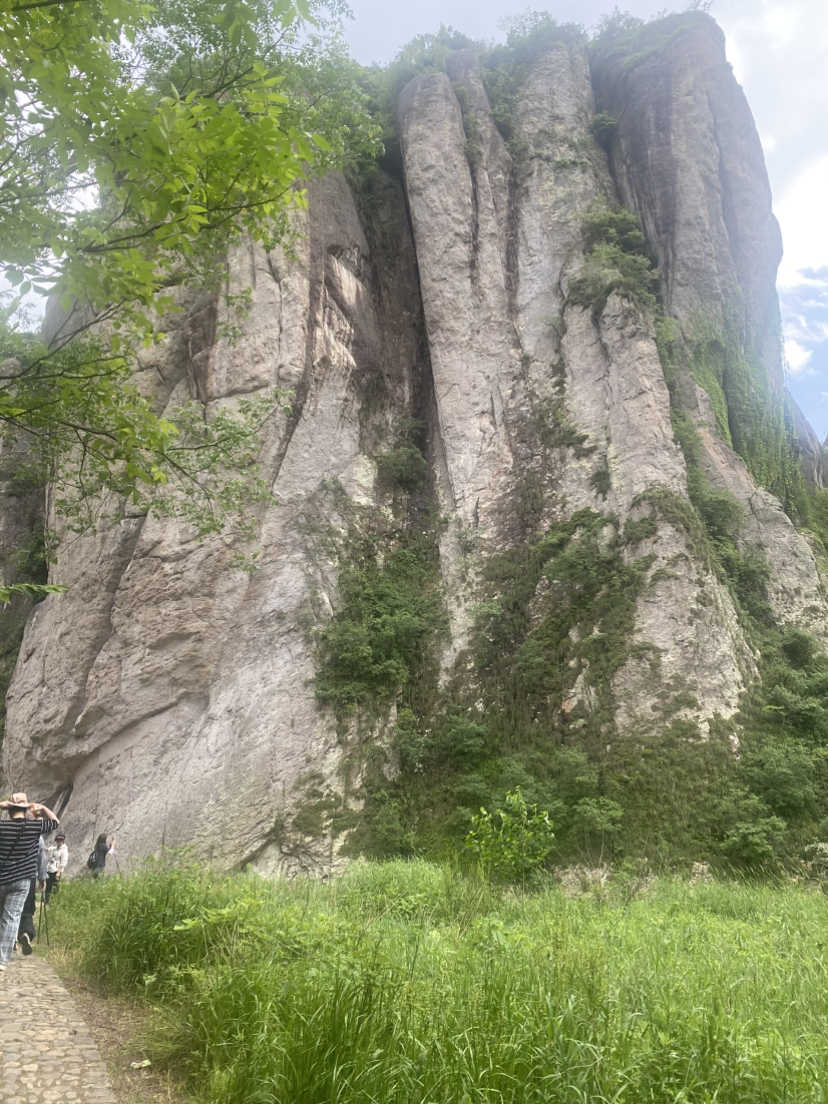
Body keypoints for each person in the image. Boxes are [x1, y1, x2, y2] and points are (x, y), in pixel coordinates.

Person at [0, 792, 59, 971]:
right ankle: (2, 960)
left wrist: (2, 805)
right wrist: (42, 808)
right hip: (22, 880)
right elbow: (55, 822)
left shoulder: (3, 826)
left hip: (2, 877)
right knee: (11, 917)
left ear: (9, 810)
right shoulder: (34, 828)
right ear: (26, 809)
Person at [16, 822, 47, 956]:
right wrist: (42, 878)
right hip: (29, 877)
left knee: (8, 911)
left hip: (8, 876)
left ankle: (11, 940)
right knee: (27, 910)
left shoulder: (8, 831)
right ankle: (26, 933)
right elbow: (42, 859)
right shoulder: (37, 837)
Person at [45, 831, 68, 903]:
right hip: (49, 869)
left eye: (60, 840)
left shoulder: (63, 850)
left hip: (56, 870)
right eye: (57, 840)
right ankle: (47, 901)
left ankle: (54, 902)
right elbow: (48, 849)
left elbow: (63, 861)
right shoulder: (54, 848)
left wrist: (59, 872)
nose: (58, 841)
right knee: (48, 887)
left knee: (55, 887)